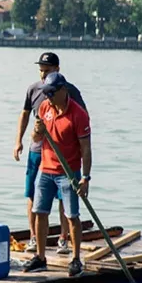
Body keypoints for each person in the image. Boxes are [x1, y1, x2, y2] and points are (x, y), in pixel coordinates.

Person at [13, 52, 87, 255]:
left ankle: (64, 239)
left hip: (63, 158)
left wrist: (85, 173)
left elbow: (82, 127)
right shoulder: (34, 90)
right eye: (41, 70)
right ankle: (34, 239)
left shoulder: (70, 92)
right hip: (38, 152)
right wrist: (19, 140)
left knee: (66, 200)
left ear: (57, 70)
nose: (43, 75)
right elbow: (25, 114)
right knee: (33, 195)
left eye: (47, 71)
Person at [23, 72, 92, 277]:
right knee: (40, 212)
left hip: (68, 172)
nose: (49, 97)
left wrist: (85, 178)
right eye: (47, 93)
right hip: (46, 169)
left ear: (63, 90)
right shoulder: (45, 107)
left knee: (72, 216)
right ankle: (40, 257)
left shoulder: (78, 115)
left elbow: (86, 149)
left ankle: (76, 259)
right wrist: (37, 130)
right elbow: (36, 137)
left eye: (52, 93)